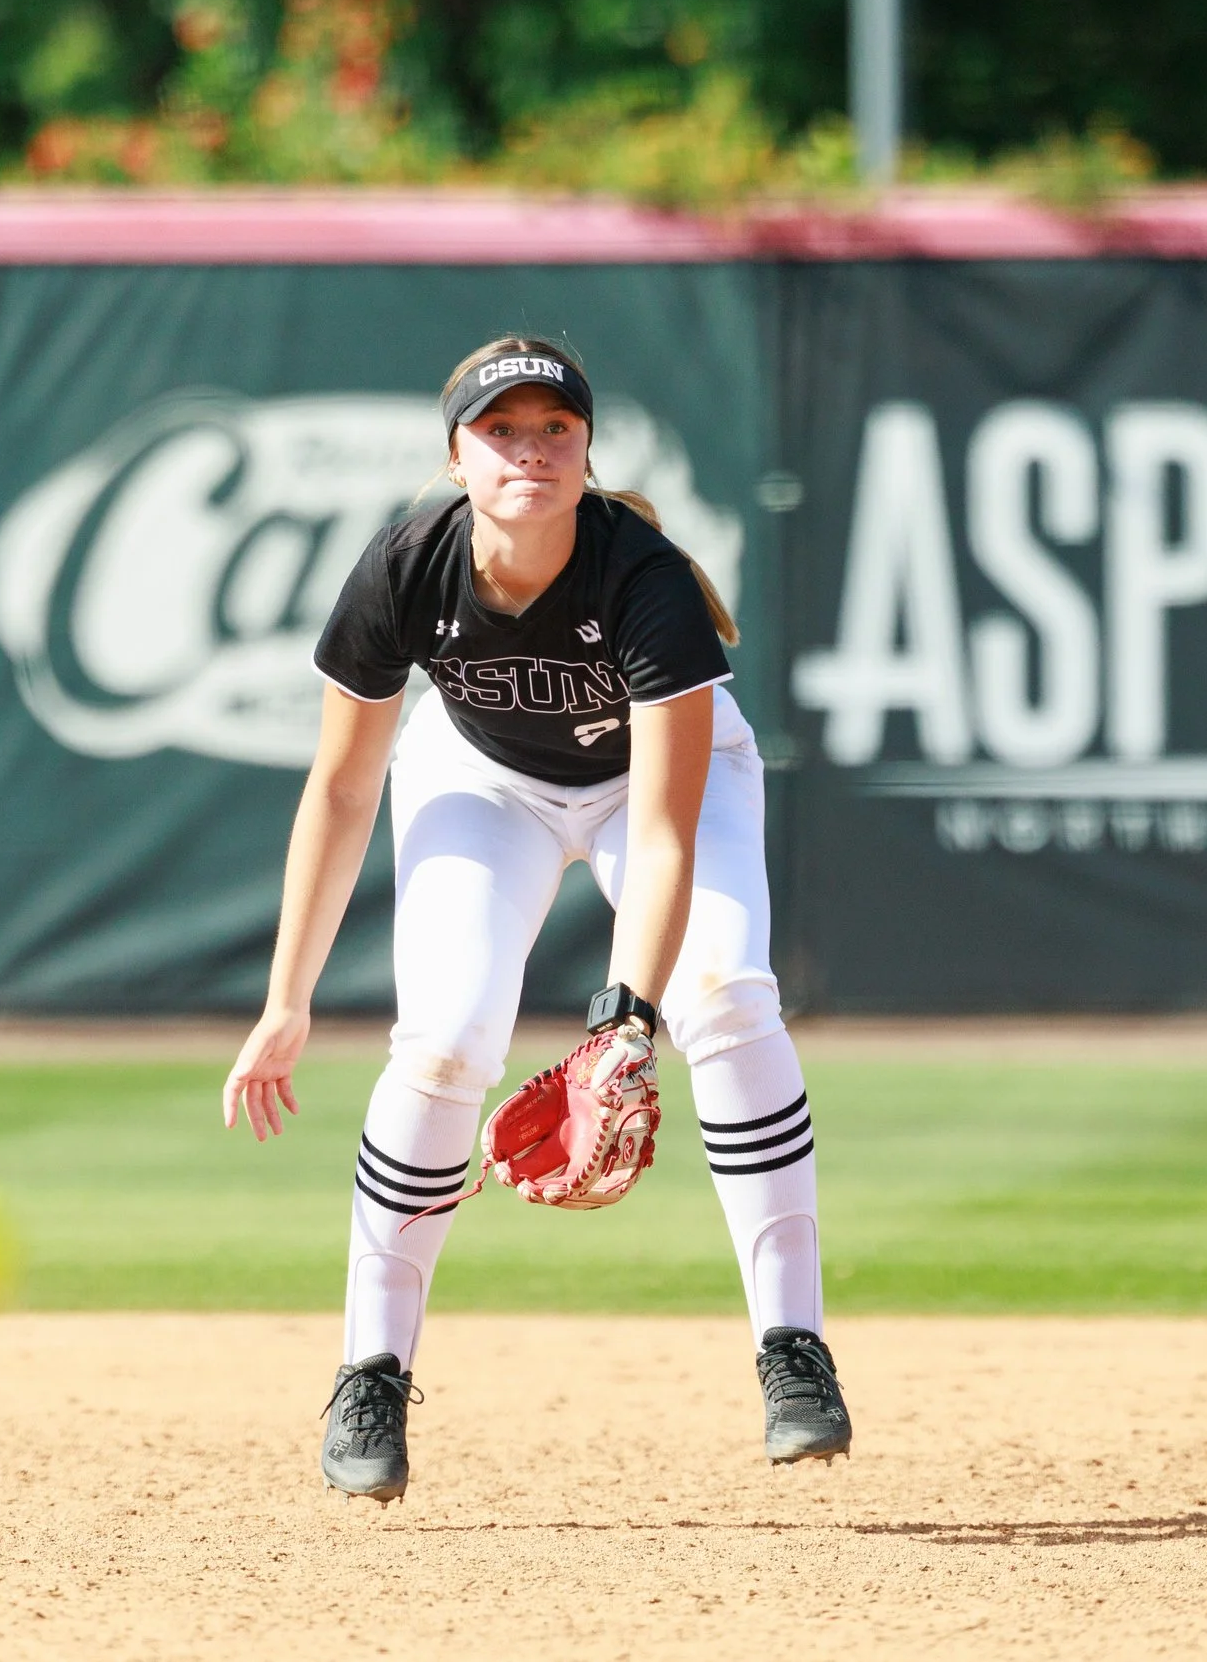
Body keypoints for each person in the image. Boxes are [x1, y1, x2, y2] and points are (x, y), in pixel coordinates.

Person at [221, 336, 848, 1503]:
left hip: (658, 785)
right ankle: (370, 1368)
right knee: (445, 1037)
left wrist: (624, 1019)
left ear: (586, 447)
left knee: (726, 990)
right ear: (456, 455)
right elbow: (344, 786)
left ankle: (791, 1347)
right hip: (480, 777)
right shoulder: (409, 565)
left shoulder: (642, 576)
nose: (529, 450)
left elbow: (660, 828)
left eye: (553, 428)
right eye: (499, 430)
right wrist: (284, 1001)